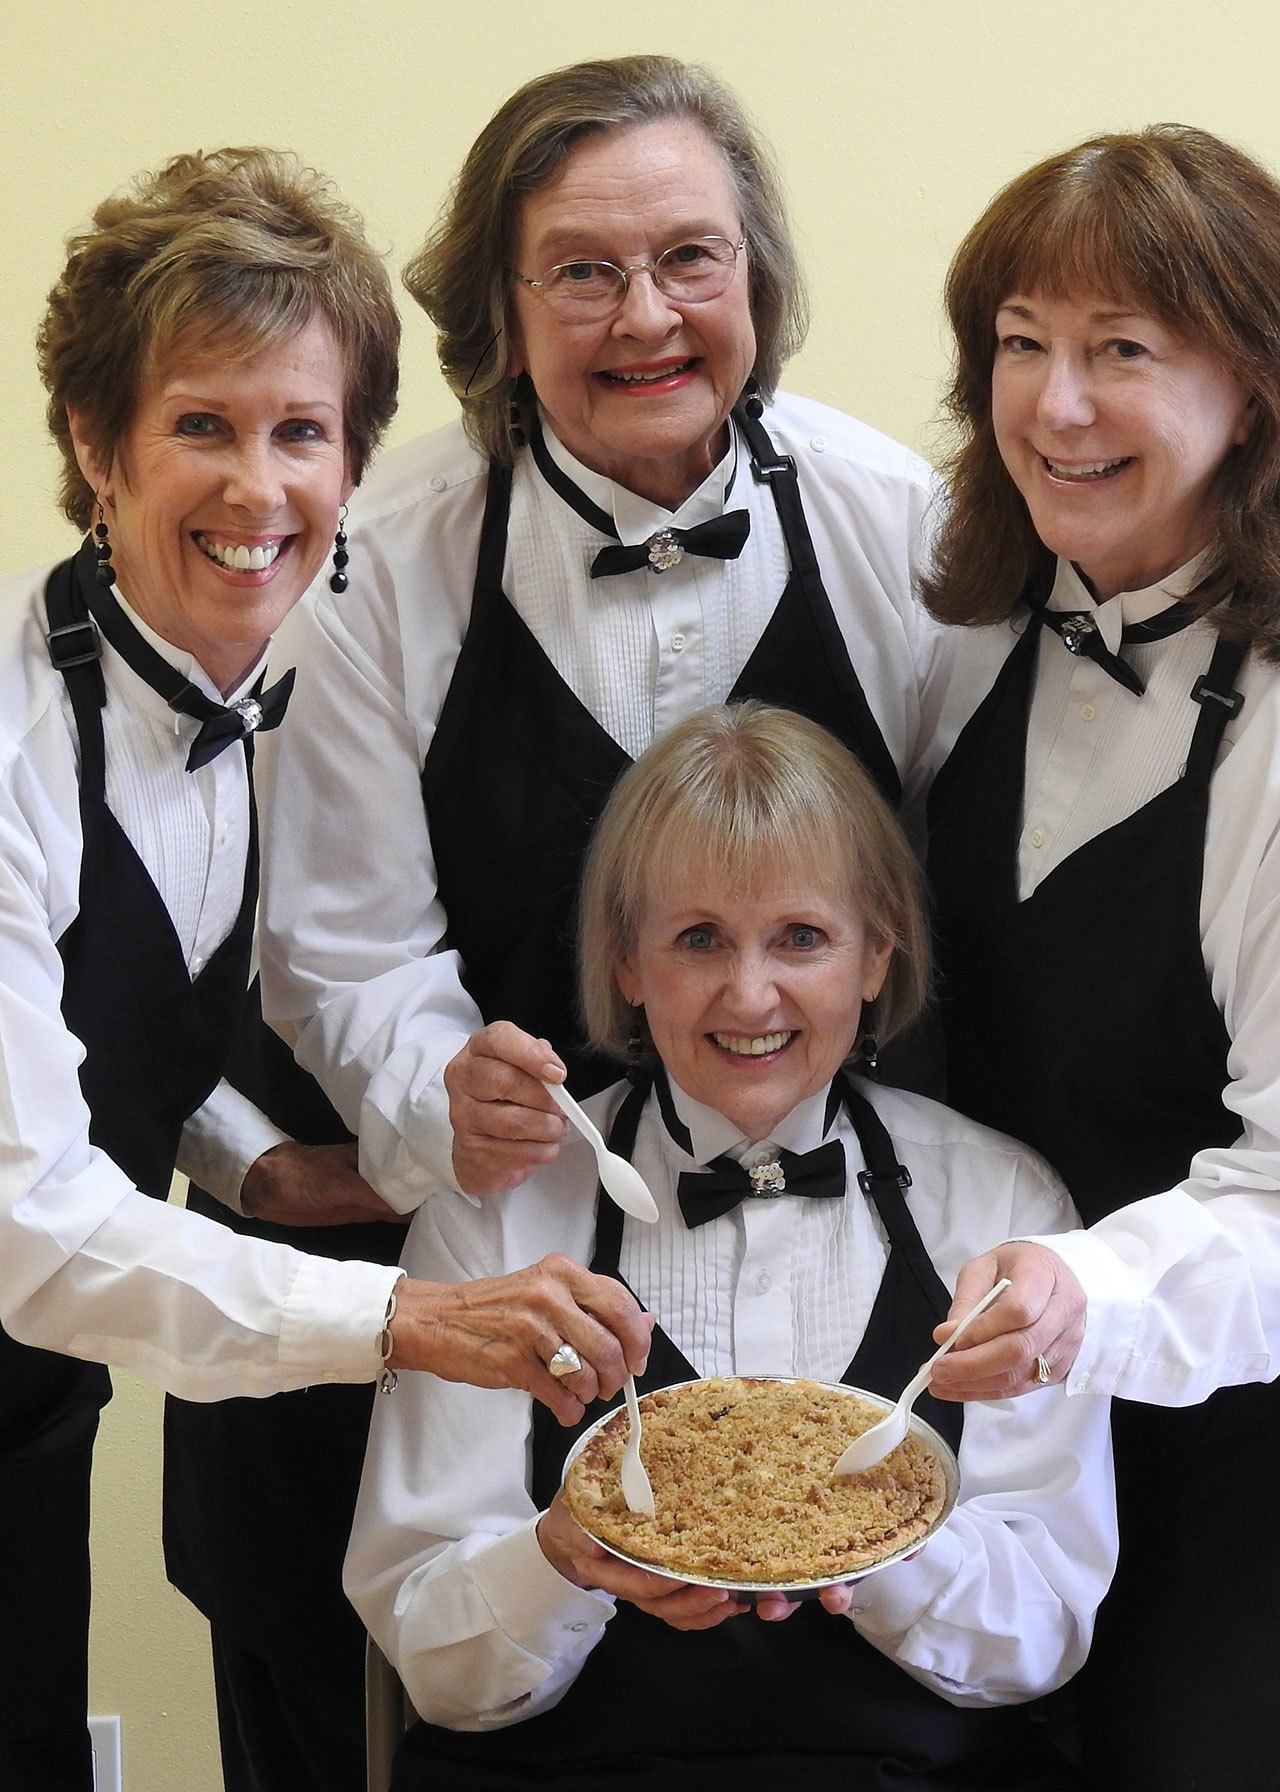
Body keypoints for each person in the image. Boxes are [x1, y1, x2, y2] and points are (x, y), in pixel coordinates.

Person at [177, 54, 953, 1790]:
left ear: (758, 277)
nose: (645, 317)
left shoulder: (903, 527)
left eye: (692, 258)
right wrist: (450, 1094)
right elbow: (347, 946)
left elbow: (950, 887)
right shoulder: (379, 560)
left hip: (822, 1275)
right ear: (499, 311)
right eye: (582, 272)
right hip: (476, 1279)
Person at [0, 146, 649, 1792]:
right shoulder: (13, 742)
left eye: (301, 432)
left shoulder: (277, 688)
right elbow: (32, 1224)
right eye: (201, 426)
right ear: (96, 444)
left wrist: (248, 1154)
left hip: (32, 1414)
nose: (258, 488)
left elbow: (180, 978)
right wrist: (414, 1315)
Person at [346, 701, 1116, 1792]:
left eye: (799, 937)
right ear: (625, 961)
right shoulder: (499, 1214)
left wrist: (861, 1539)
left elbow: (1036, 1635)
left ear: (873, 955)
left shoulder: (1001, 1201)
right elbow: (433, 1659)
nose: (748, 993)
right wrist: (560, 1558)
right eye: (697, 937)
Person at [921, 125, 1280, 1789]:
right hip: (980, 1436)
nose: (1055, 406)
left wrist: (1090, 1297)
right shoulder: (970, 622)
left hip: (1225, 1450)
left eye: (1120, 353)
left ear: (1254, 378)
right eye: (1021, 347)